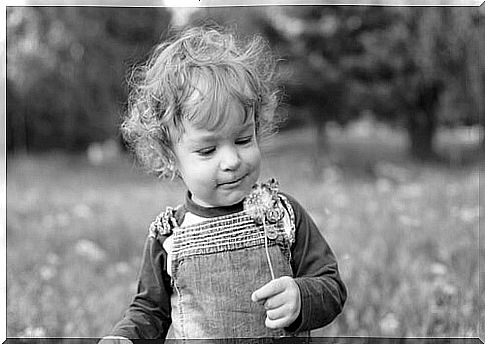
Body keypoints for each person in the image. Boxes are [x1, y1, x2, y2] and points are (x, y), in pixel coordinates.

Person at [102, 25, 346, 341]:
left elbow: (331, 284)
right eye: (207, 150)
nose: (231, 161)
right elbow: (149, 311)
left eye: (244, 139)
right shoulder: (169, 236)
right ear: (170, 156)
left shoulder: (282, 214)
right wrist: (125, 337)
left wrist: (302, 296)